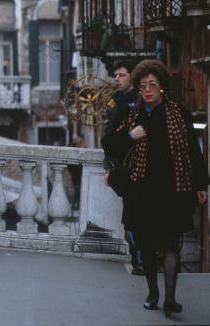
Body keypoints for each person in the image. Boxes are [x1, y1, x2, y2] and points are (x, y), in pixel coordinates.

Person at [102, 59, 209, 317]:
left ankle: (170, 299)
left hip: (172, 189)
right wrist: (130, 136)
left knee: (171, 243)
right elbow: (109, 144)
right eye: (143, 86)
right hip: (141, 190)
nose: (147, 90)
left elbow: (194, 152)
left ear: (161, 87)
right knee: (147, 244)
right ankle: (153, 293)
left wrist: (201, 183)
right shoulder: (131, 114)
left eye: (152, 85)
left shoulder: (178, 113)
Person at [102, 60, 144, 276]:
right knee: (130, 214)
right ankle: (138, 258)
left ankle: (144, 257)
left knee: (140, 213)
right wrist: (108, 166)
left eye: (121, 75)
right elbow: (107, 136)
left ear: (131, 77)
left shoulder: (139, 100)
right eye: (115, 75)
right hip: (122, 165)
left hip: (141, 164)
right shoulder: (114, 101)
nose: (116, 79)